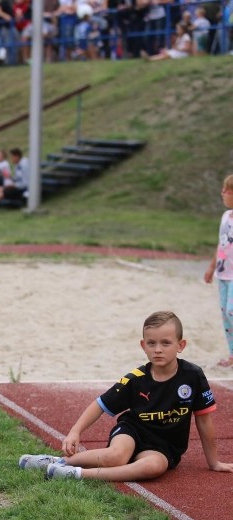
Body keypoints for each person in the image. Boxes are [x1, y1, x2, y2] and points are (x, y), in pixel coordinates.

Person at [19, 311, 233, 481]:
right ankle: (61, 462)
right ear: (143, 346)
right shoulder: (136, 379)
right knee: (116, 456)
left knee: (154, 467)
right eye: (151, 343)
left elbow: (204, 419)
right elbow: (100, 404)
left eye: (166, 343)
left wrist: (214, 462)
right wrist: (75, 432)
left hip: (164, 446)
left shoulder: (193, 376)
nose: (158, 349)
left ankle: (76, 474)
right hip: (132, 430)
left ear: (181, 345)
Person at [204, 175, 233, 367]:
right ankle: (232, 355)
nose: (222, 193)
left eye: (226, 190)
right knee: (225, 315)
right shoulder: (225, 217)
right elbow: (221, 245)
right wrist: (212, 266)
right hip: (223, 274)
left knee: (232, 311)